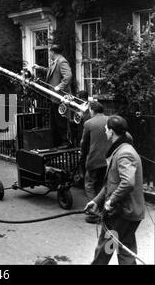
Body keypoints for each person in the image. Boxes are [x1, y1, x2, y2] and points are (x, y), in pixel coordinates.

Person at [84, 115, 145, 265]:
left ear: (111, 132)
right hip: (126, 213)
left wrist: (111, 200)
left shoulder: (125, 153)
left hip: (122, 213)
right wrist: (95, 201)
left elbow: (127, 182)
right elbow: (110, 184)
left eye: (106, 129)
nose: (105, 132)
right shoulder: (121, 149)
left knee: (105, 249)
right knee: (124, 251)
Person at [33, 45, 72, 146]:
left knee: (60, 120)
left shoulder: (62, 61)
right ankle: (57, 142)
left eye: (49, 52)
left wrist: (60, 86)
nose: (49, 54)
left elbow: (68, 76)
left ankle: (65, 142)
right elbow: (50, 72)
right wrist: (39, 68)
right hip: (53, 97)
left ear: (53, 52)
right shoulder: (55, 62)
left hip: (60, 98)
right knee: (54, 122)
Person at [80, 101, 111, 223]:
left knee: (89, 184)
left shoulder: (89, 123)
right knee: (104, 185)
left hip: (95, 159)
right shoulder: (111, 120)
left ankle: (94, 214)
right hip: (109, 159)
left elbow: (84, 143)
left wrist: (82, 156)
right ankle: (105, 211)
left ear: (92, 110)